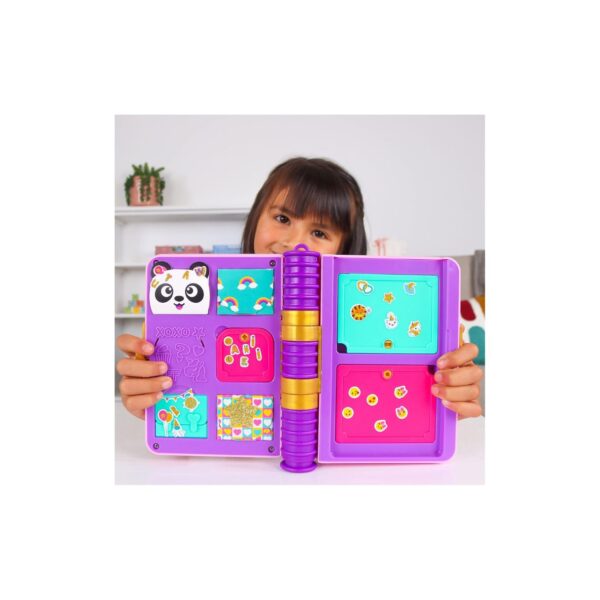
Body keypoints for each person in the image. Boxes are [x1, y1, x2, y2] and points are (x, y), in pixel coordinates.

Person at [116, 157, 483, 420]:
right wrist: (151, 397)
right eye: (282, 218)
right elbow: (185, 386)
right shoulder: (205, 295)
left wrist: (448, 392)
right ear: (256, 218)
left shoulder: (364, 313)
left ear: (344, 249)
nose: (295, 243)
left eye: (319, 232)